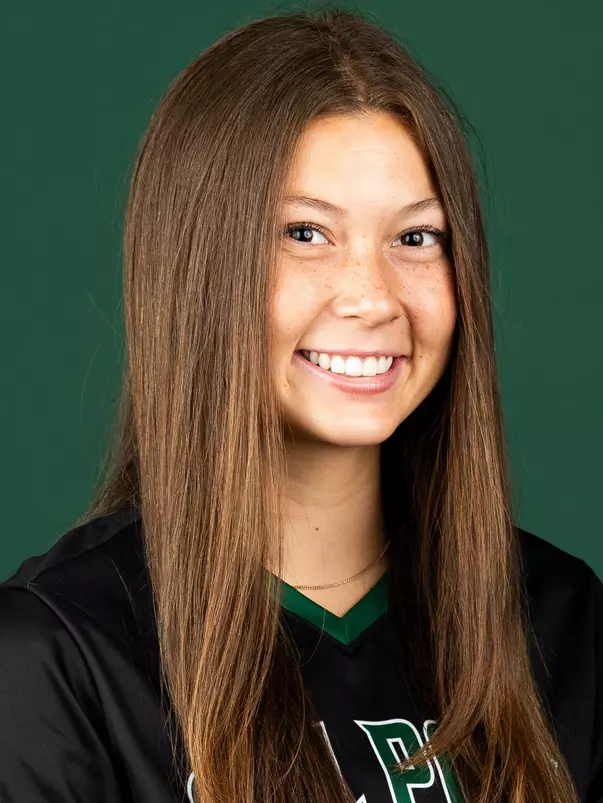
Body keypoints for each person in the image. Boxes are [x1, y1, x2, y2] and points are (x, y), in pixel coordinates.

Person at [0, 6, 601, 803]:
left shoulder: (561, 623)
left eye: (415, 238)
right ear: (197, 268)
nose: (371, 297)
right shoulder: (59, 654)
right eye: (305, 232)